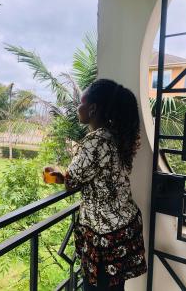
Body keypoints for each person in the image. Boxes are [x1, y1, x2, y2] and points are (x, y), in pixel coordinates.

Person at [44, 79, 147, 291]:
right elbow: (94, 172)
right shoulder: (113, 136)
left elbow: (72, 182)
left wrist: (58, 175)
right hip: (124, 228)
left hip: (106, 237)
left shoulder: (96, 141)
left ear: (92, 109)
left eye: (80, 103)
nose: (77, 108)